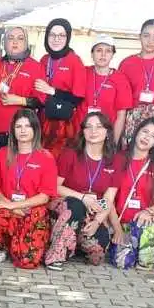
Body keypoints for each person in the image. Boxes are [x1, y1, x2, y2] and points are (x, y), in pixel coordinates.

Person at [43, 111, 120, 270]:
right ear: (83, 131)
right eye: (88, 127)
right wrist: (82, 198)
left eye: (99, 127)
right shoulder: (70, 153)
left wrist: (97, 222)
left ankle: (72, 243)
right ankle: (55, 255)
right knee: (76, 206)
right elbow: (55, 187)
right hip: (65, 206)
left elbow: (108, 199)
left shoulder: (113, 160)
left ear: (107, 132)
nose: (93, 131)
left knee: (100, 245)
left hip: (91, 213)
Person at [0, 108, 57, 268]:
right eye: (18, 126)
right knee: (0, 213)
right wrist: (9, 205)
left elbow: (45, 196)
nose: (23, 130)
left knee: (27, 262)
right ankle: (2, 247)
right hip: (7, 206)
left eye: (27, 126)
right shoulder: (2, 154)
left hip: (32, 210)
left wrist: (16, 205)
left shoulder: (46, 157)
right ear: (13, 130)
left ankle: (21, 245)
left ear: (35, 129)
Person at [108, 116, 154, 270]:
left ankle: (147, 251)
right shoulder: (118, 159)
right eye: (145, 132)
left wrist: (147, 211)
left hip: (148, 222)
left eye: (153, 136)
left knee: (144, 259)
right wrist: (117, 229)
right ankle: (133, 246)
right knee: (122, 262)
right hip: (122, 222)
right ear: (137, 132)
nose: (147, 137)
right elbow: (108, 199)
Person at [0, 26, 43, 150]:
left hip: (20, 133)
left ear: (26, 43)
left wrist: (20, 100)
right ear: (4, 42)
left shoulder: (36, 67)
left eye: (20, 38)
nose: (15, 42)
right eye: (10, 38)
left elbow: (41, 101)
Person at [118, 18, 154, 148]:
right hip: (134, 115)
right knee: (132, 153)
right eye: (146, 36)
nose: (150, 41)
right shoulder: (127, 63)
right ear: (139, 36)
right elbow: (121, 96)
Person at [34, 18, 87, 156]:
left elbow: (78, 98)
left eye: (61, 35)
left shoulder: (75, 61)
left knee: (58, 160)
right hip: (43, 119)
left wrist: (52, 91)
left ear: (67, 37)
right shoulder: (44, 59)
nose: (56, 39)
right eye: (52, 35)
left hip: (63, 124)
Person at [77, 35, 131, 147]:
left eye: (108, 51)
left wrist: (113, 143)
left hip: (105, 136)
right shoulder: (82, 72)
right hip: (81, 133)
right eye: (99, 50)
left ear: (112, 55)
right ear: (92, 54)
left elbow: (121, 115)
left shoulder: (120, 79)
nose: (103, 55)